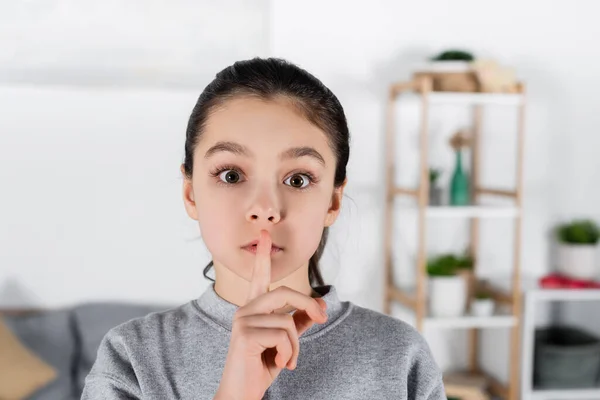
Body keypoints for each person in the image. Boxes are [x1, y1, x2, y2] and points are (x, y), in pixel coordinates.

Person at [81, 57, 445, 400]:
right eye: (231, 175)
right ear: (191, 194)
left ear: (332, 202)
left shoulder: (400, 356)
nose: (266, 210)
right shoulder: (131, 358)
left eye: (299, 179)